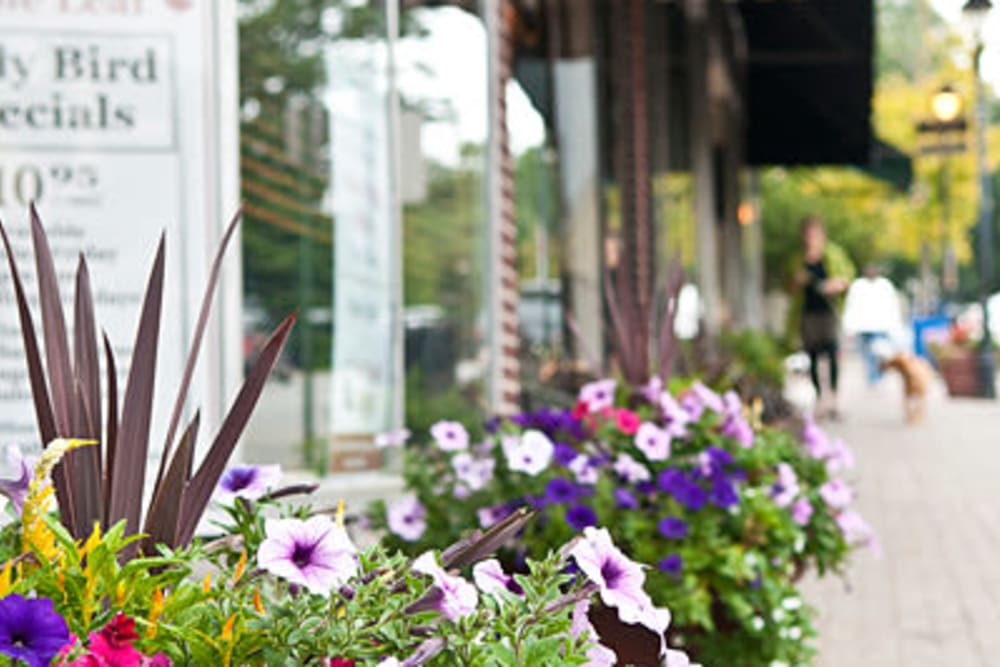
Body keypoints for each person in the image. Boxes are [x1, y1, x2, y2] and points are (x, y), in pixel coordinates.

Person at [786, 216, 855, 419]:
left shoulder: (833, 255)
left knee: (832, 353)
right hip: (807, 313)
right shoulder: (798, 259)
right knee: (813, 356)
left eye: (814, 234)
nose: (811, 238)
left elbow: (848, 278)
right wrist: (798, 281)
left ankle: (833, 398)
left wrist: (836, 284)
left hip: (828, 312)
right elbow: (789, 288)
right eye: (808, 234)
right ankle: (820, 397)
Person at [843, 264, 903, 385]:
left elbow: (892, 305)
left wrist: (894, 324)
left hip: (881, 325)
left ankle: (876, 374)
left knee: (878, 352)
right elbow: (852, 306)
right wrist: (850, 326)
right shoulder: (858, 286)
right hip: (864, 326)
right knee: (867, 353)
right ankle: (873, 376)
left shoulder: (885, 285)